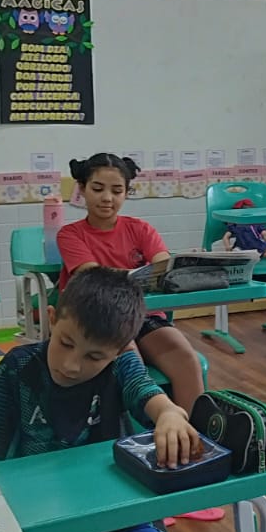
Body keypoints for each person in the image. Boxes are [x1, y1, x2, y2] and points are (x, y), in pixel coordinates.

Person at [0, 268, 202, 532]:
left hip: (125, 527)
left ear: (117, 352)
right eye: (66, 343)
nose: (71, 365)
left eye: (94, 356)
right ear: (52, 319)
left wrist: (170, 413)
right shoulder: (17, 369)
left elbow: (145, 392)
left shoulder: (122, 365)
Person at [54, 153, 205, 413]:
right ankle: (152, 429)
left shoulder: (140, 229)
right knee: (129, 360)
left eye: (117, 191)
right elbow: (92, 275)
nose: (107, 198)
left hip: (142, 314)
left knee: (185, 357)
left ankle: (195, 438)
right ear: (81, 189)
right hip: (98, 318)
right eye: (98, 189)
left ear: (126, 193)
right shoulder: (70, 234)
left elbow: (162, 267)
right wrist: (137, 273)